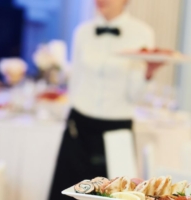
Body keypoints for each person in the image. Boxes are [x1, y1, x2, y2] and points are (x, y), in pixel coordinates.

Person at [48, 0, 162, 199]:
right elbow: (75, 83)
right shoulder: (82, 32)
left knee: (118, 195)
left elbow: (134, 96)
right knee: (66, 194)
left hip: (117, 128)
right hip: (78, 127)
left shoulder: (142, 33)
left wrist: (148, 74)